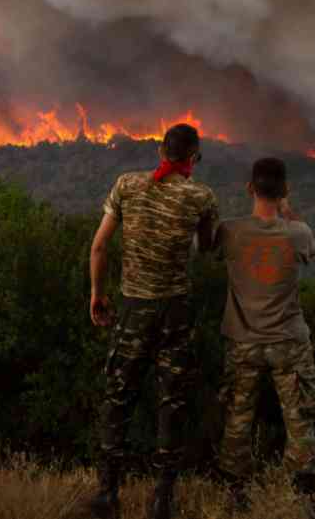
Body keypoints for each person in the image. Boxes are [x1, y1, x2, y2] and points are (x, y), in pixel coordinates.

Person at [79, 123, 219, 519]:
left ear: (160, 151)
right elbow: (206, 248)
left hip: (133, 309)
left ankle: (108, 494)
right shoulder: (202, 196)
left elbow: (100, 245)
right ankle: (162, 500)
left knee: (117, 400)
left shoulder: (126, 185)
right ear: (193, 158)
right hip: (175, 311)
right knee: (171, 403)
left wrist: (97, 293)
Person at [214, 157, 315, 516]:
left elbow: (206, 247)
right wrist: (287, 211)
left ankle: (235, 493)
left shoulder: (229, 231)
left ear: (250, 189)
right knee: (299, 417)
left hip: (243, 341)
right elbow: (307, 248)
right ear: (285, 191)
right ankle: (304, 497)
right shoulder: (299, 233)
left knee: (237, 416)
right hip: (288, 342)